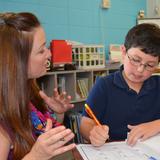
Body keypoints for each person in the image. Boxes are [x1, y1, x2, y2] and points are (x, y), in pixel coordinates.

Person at [0, 12, 76, 160]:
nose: (49, 54)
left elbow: (40, 133)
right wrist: (36, 157)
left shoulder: (29, 91)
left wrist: (58, 113)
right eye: (41, 50)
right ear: (18, 62)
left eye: (46, 46)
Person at [80, 23, 160, 147]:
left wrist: (156, 125)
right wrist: (93, 133)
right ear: (123, 52)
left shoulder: (158, 85)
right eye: (135, 60)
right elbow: (85, 123)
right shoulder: (104, 85)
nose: (140, 70)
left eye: (150, 65)